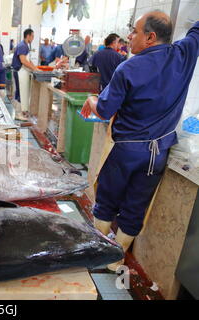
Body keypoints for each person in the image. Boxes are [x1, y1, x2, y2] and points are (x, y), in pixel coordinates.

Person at [81, 12, 199, 271]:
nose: (130, 36)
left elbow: (104, 110)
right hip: (157, 154)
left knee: (107, 200)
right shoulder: (185, 54)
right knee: (136, 206)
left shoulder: (129, 67)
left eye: (134, 31)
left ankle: (101, 252)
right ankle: (117, 258)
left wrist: (91, 101)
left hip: (126, 151)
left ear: (150, 37)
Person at [11, 28, 39, 120]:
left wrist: (35, 67)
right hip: (19, 72)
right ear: (28, 36)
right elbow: (23, 61)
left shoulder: (25, 45)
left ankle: (21, 111)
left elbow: (28, 59)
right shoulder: (23, 46)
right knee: (20, 92)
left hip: (22, 72)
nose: (33, 38)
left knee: (22, 92)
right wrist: (34, 68)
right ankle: (18, 114)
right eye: (33, 36)